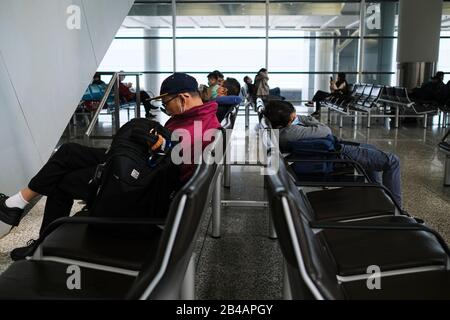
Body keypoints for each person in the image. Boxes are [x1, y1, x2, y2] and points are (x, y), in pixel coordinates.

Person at [0, 72, 220, 260]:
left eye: (166, 101)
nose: (164, 106)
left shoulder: (195, 129)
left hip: (142, 191)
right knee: (68, 152)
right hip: (143, 173)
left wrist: (161, 149)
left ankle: (38, 237)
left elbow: (169, 170)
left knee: (62, 181)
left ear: (183, 97)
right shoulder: (197, 118)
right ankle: (17, 205)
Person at [264, 100, 402, 207]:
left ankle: (378, 193)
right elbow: (325, 130)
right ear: (286, 122)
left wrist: (297, 120)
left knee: (371, 149)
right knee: (392, 160)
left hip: (329, 149)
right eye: (294, 117)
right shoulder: (291, 133)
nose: (297, 118)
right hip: (336, 154)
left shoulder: (280, 130)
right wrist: (306, 119)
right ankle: (397, 208)